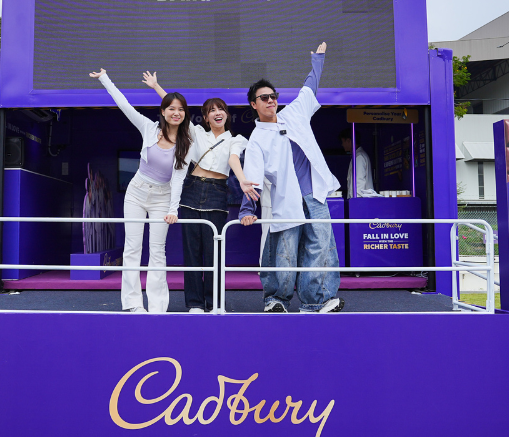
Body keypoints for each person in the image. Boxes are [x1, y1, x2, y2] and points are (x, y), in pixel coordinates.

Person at [239, 42, 344, 313]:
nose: (270, 100)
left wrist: (317, 60)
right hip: (287, 200)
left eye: (273, 95)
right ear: (254, 104)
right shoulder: (256, 140)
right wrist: (247, 209)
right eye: (264, 97)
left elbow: (309, 88)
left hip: (316, 195)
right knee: (283, 252)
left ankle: (317, 301)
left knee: (321, 247)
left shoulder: (294, 113)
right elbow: (251, 179)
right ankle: (275, 300)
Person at [142, 72, 251, 313]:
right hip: (192, 190)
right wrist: (156, 86)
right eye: (212, 110)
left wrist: (242, 180)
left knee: (214, 252)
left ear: (226, 115)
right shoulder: (196, 133)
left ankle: (214, 303)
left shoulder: (237, 139)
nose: (217, 113)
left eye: (221, 109)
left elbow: (233, 159)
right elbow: (176, 109)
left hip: (216, 193)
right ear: (205, 117)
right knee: (192, 251)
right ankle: (194, 303)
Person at [89, 68, 195, 313]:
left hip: (162, 197)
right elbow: (124, 105)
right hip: (136, 193)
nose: (176, 113)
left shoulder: (186, 143)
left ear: (184, 114)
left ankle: (158, 306)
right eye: (171, 109)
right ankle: (133, 304)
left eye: (180, 110)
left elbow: (178, 178)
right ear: (163, 112)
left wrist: (172, 209)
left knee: (158, 251)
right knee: (132, 248)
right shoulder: (148, 128)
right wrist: (105, 78)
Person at [339, 128, 374, 197]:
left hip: (359, 202)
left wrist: (355, 202)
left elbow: (359, 183)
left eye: (343, 142)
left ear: (349, 141)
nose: (342, 145)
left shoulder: (359, 157)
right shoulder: (358, 156)